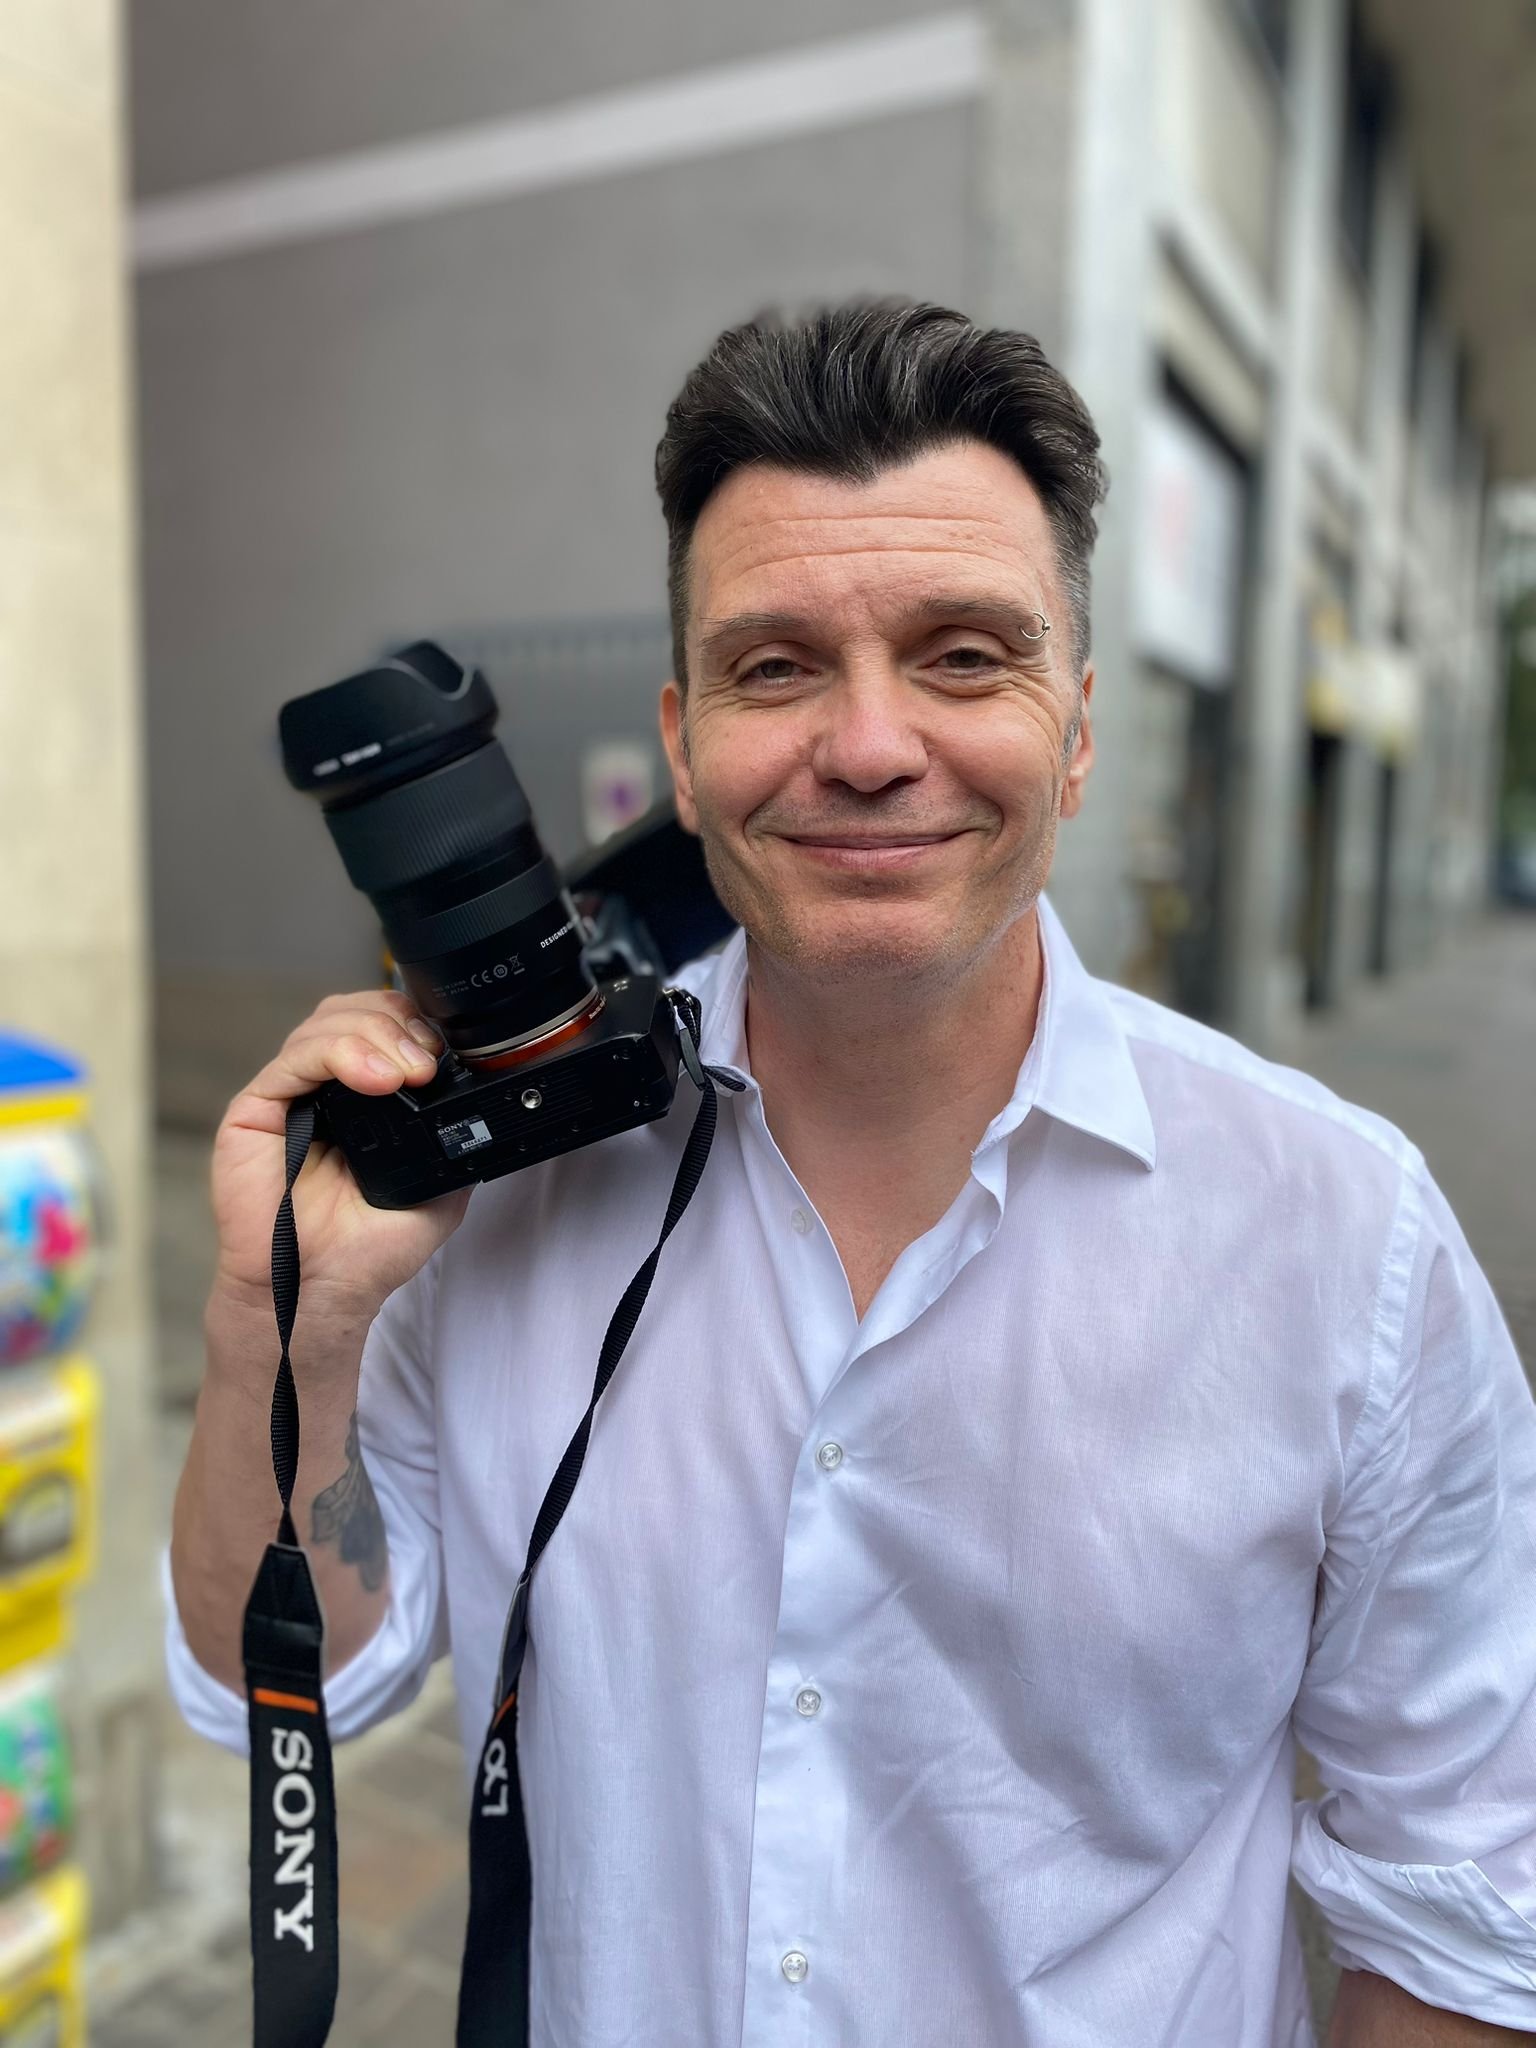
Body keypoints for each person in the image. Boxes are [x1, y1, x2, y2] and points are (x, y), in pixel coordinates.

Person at [166, 300, 1536, 2046]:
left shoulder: (1347, 1241)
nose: (872, 745)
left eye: (964, 656)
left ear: (1079, 730)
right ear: (681, 749)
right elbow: (289, 1681)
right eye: (776, 667)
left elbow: (1474, 1901)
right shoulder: (486, 1203)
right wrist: (279, 1327)